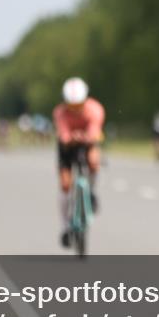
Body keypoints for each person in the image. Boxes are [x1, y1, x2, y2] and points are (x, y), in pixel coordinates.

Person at [53, 77, 105, 247]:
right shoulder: (59, 112)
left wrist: (85, 137)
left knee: (94, 161)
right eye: (71, 106)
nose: (75, 110)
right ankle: (65, 226)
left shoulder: (95, 109)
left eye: (78, 106)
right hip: (67, 147)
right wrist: (71, 138)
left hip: (86, 142)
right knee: (65, 184)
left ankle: (92, 191)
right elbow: (64, 136)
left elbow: (94, 131)